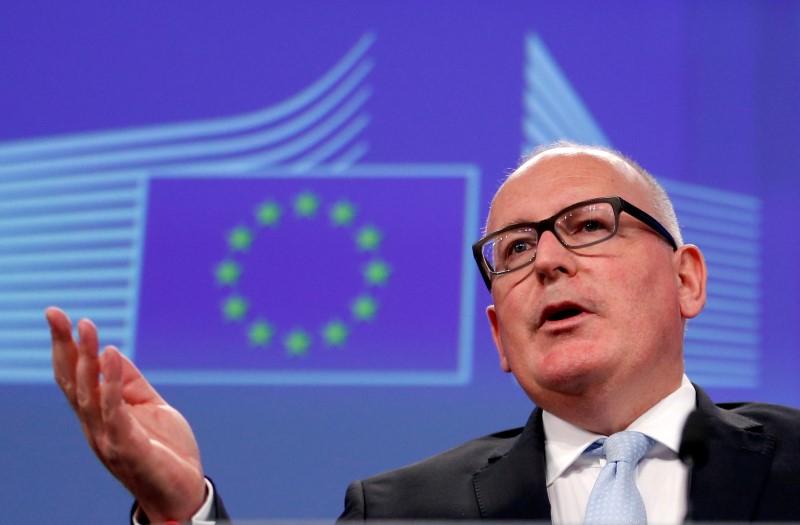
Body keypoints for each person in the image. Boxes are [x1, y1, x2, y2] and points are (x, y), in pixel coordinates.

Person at [48, 142, 800, 524]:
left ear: (686, 279)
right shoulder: (402, 510)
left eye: (587, 225)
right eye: (514, 250)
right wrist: (184, 515)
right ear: (500, 337)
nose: (547, 261)